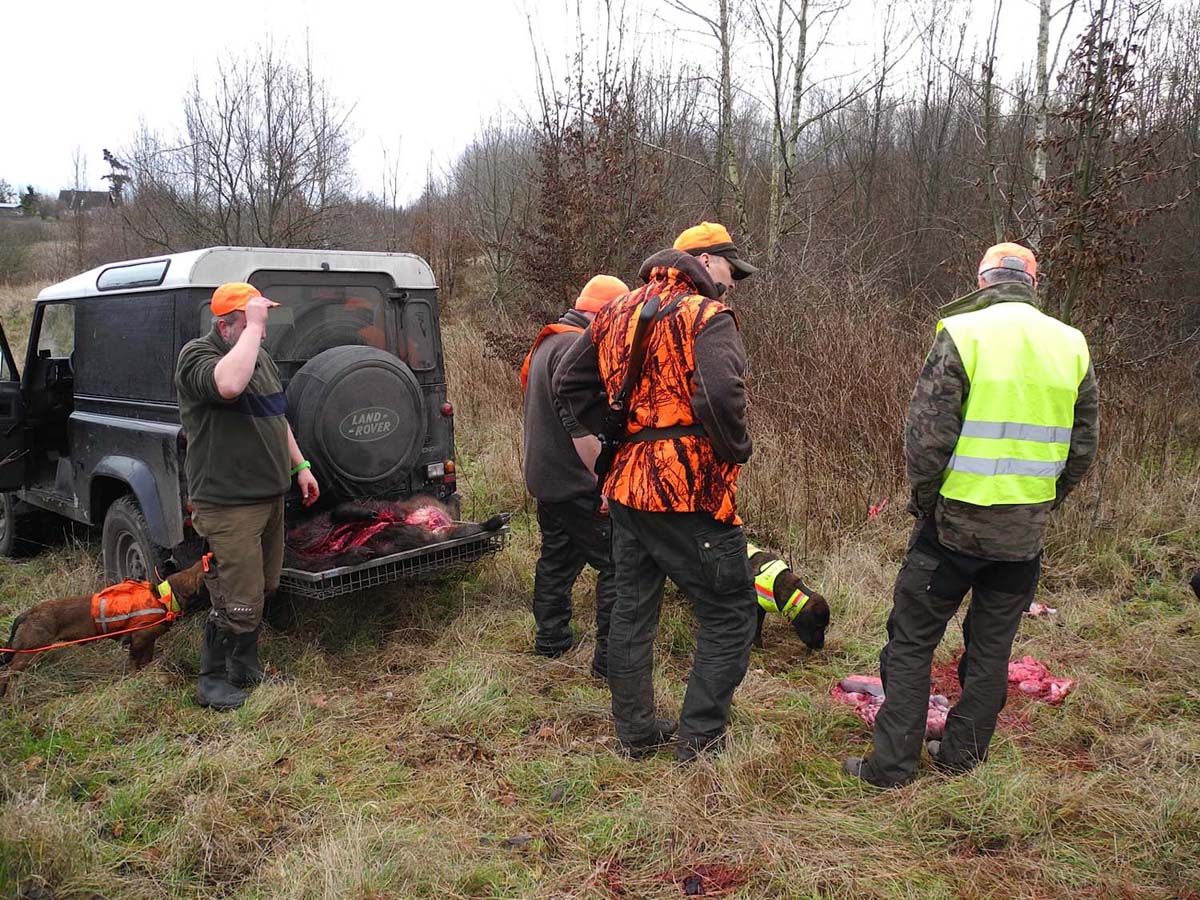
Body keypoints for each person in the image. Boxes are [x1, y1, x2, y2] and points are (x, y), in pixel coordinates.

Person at [844, 243, 1099, 787]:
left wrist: (926, 504)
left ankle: (891, 767)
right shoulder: (1071, 343)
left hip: (951, 532)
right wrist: (1042, 503)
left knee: (911, 643)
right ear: (1034, 284)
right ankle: (962, 758)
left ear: (982, 280)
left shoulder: (963, 332)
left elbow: (926, 437)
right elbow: (1083, 447)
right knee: (991, 652)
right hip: (1022, 537)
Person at [555, 222, 760, 762]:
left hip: (626, 485)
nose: (733, 282)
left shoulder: (615, 311)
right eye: (731, 269)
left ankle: (637, 732)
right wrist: (735, 450)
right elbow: (722, 396)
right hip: (686, 490)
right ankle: (700, 743)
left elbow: (568, 384)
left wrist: (616, 436)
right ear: (705, 262)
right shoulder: (707, 316)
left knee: (632, 610)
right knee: (730, 612)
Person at [175, 282, 320, 711]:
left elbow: (276, 416)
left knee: (264, 587)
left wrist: (300, 466)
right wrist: (253, 330)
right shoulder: (197, 356)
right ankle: (211, 680)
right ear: (224, 326)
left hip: (269, 495)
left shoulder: (258, 356)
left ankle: (244, 666)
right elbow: (228, 386)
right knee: (237, 597)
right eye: (252, 322)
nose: (263, 329)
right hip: (227, 502)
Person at [520, 275, 630, 677]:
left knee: (557, 558)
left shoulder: (549, 341)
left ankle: (551, 642)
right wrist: (604, 482)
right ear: (605, 314)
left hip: (546, 478)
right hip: (576, 481)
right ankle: (609, 664)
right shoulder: (575, 348)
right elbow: (579, 428)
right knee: (618, 563)